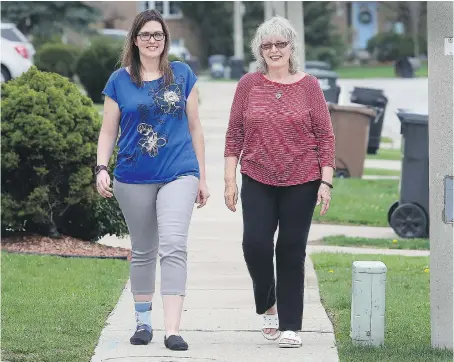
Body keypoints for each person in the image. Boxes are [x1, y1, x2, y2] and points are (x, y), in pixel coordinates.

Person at [96, 9, 209, 351]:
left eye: (158, 35)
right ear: (134, 39)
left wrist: (201, 176)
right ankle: (143, 323)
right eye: (145, 35)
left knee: (174, 245)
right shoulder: (119, 80)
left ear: (165, 39)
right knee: (144, 250)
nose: (152, 40)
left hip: (179, 171)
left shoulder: (182, 75)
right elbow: (108, 130)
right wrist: (101, 167)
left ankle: (172, 330)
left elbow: (194, 127)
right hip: (133, 176)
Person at [223, 16, 335, 348]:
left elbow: (326, 137)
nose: (274, 50)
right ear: (260, 50)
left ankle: (290, 325)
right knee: (254, 246)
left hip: (302, 178)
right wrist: (230, 181)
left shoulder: (310, 86)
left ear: (291, 47)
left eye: (280, 44)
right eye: (267, 45)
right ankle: (268, 303)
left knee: (290, 250)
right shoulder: (248, 84)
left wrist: (326, 182)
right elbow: (234, 136)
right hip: (257, 175)